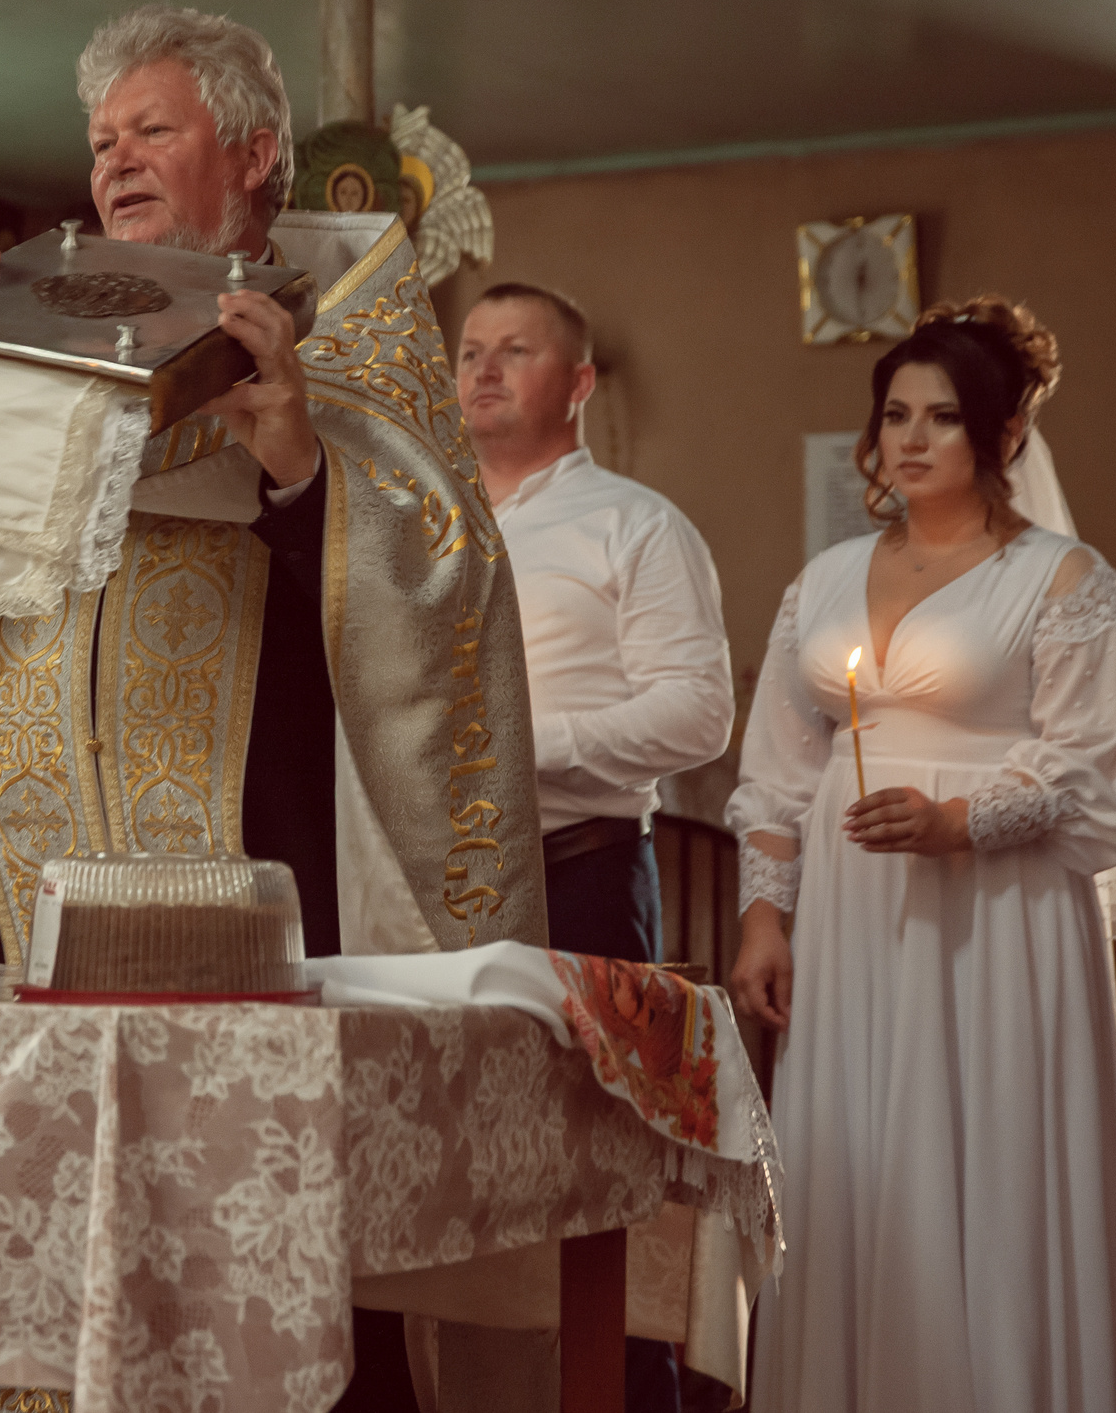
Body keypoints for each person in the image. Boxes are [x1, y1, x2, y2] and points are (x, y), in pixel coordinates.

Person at [0, 5, 547, 1413]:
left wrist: (295, 459)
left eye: (155, 128)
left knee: (246, 1238)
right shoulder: (34, 306)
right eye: (102, 140)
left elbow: (442, 575)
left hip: (249, 853)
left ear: (255, 152)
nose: (117, 160)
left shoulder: (355, 329)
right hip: (30, 855)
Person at [726, 296, 1116, 1413]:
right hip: (855, 917)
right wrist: (765, 913)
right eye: (895, 414)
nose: (908, 440)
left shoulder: (1064, 581)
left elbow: (1094, 771)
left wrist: (961, 822)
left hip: (998, 918)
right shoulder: (818, 584)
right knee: (859, 1162)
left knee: (991, 1162)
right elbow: (775, 764)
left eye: (944, 418)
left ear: (1002, 438)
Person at [456, 281, 734, 1413]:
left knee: (606, 1183)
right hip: (433, 894)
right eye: (469, 350)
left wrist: (527, 748)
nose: (481, 370)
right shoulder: (416, 520)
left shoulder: (635, 524)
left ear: (574, 385)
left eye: (513, 352)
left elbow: (695, 715)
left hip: (582, 879)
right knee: (470, 1182)